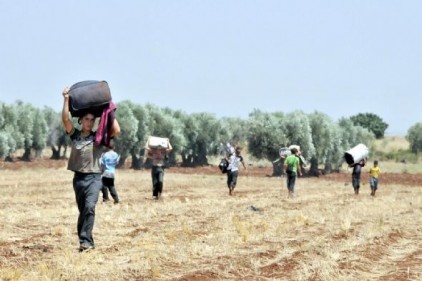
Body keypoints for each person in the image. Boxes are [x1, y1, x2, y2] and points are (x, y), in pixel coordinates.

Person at [62, 87, 120, 252]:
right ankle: (87, 240)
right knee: (83, 211)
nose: (89, 122)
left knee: (89, 207)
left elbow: (116, 130)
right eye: (86, 119)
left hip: (95, 178)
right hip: (78, 179)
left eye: (92, 120)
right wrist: (66, 99)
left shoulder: (99, 138)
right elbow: (66, 119)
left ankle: (85, 242)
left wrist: (109, 109)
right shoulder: (75, 135)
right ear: (81, 120)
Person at [100, 139, 120, 204]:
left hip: (106, 172)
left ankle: (105, 199)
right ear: (114, 147)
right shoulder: (116, 154)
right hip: (112, 173)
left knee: (103, 186)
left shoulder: (105, 155)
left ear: (107, 147)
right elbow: (117, 162)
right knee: (111, 186)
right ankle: (116, 199)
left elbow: (102, 163)